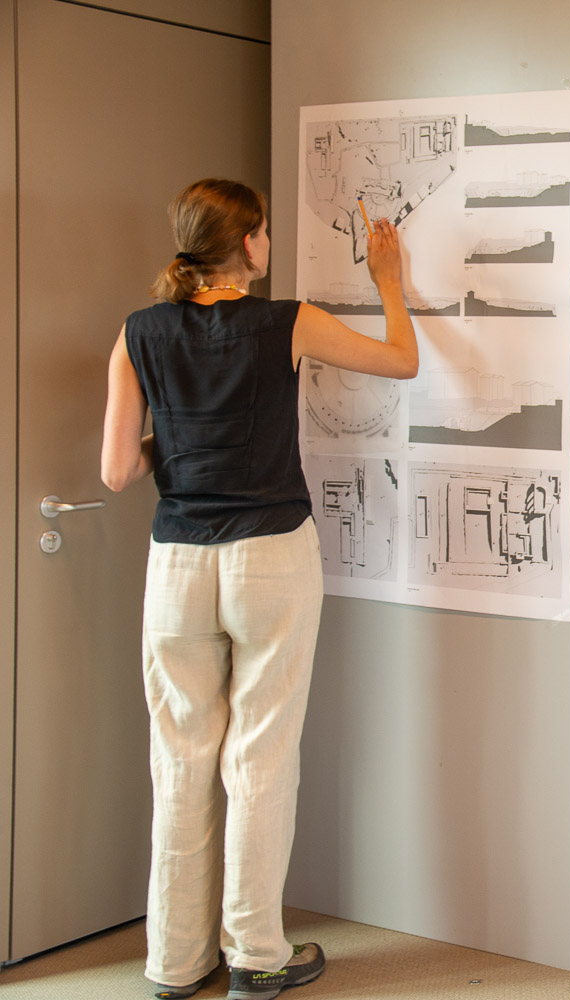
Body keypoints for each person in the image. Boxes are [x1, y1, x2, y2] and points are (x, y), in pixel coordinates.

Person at [101, 178, 419, 1000]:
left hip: (177, 567)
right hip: (270, 557)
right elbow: (402, 361)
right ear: (247, 243)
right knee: (262, 757)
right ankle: (255, 953)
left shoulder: (138, 333)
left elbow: (116, 469)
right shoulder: (287, 320)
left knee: (179, 761)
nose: (269, 243)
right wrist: (389, 282)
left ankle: (176, 962)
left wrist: (182, 430)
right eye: (266, 231)